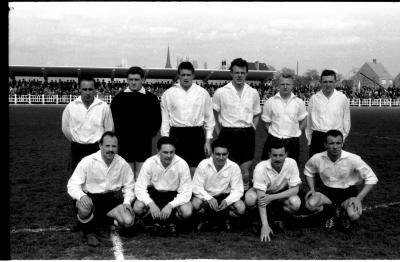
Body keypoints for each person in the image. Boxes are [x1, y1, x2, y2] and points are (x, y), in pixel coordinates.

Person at [67, 131, 135, 247]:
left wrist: (127, 202)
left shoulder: (122, 163)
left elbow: (130, 186)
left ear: (117, 147)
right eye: (107, 146)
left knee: (128, 221)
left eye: (114, 146)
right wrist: (82, 196)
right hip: (89, 197)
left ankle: (101, 219)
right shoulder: (88, 161)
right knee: (84, 208)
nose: (110, 149)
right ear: (100, 145)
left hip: (109, 198)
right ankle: (89, 232)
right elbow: (72, 185)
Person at [304, 129, 378, 232]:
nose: (335, 147)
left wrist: (358, 198)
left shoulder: (353, 158)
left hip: (348, 192)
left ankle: (343, 214)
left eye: (338, 143)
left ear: (342, 143)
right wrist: (312, 189)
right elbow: (308, 171)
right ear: (325, 144)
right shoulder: (317, 158)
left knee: (354, 215)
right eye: (331, 143)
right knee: (310, 204)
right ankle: (331, 212)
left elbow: (372, 178)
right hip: (327, 191)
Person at [212, 58, 262, 190]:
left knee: (245, 171)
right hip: (227, 133)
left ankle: (244, 197)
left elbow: (257, 113)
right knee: (228, 168)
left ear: (246, 74)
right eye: (236, 72)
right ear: (231, 73)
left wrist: (253, 128)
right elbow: (214, 114)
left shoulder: (253, 93)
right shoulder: (221, 92)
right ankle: (229, 197)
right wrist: (219, 132)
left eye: (242, 72)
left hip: (247, 133)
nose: (239, 75)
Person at [160, 61, 215, 177]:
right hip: (176, 134)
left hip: (196, 134)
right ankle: (179, 194)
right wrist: (165, 141)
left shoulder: (202, 93)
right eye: (183, 75)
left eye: (188, 75)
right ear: (178, 75)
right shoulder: (169, 94)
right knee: (176, 170)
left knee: (195, 170)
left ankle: (194, 194)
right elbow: (165, 121)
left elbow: (209, 119)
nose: (185, 77)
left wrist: (208, 141)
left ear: (193, 76)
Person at [133, 136, 192, 236]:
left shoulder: (182, 164)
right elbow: (139, 188)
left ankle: (172, 222)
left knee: (187, 211)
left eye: (171, 152)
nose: (169, 156)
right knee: (137, 207)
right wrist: (151, 204)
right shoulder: (149, 162)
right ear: (158, 151)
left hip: (173, 194)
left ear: (175, 151)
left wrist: (170, 205)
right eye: (165, 152)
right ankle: (151, 222)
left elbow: (186, 192)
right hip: (154, 194)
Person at [245, 139, 302, 242]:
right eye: (274, 155)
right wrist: (265, 226)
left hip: (278, 195)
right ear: (269, 154)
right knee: (250, 199)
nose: (278, 158)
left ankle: (279, 217)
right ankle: (255, 218)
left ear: (286, 154)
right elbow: (262, 198)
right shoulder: (260, 168)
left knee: (295, 203)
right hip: (262, 193)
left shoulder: (292, 163)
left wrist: (272, 197)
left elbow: (295, 190)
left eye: (281, 155)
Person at [110, 66, 161, 179]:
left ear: (143, 80)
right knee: (127, 176)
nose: (133, 82)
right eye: (131, 79)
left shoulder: (151, 99)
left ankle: (140, 197)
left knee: (141, 175)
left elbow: (157, 121)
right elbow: (115, 122)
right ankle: (128, 197)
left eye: (136, 79)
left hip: (144, 143)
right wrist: (122, 136)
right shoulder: (118, 99)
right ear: (127, 80)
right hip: (125, 143)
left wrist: (146, 135)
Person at [62, 75, 114, 171]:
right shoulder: (70, 107)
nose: (87, 92)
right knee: (78, 180)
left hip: (97, 149)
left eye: (90, 89)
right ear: (79, 89)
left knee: (97, 179)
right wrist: (76, 140)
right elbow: (65, 128)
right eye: (84, 89)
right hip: (77, 149)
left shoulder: (103, 107)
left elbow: (109, 129)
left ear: (95, 90)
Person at [192, 139, 245, 231]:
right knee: (195, 204)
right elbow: (196, 187)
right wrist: (209, 198)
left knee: (241, 208)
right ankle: (205, 219)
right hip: (207, 196)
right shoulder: (203, 164)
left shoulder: (234, 167)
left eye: (224, 154)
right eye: (217, 154)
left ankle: (226, 220)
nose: (221, 157)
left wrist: (227, 201)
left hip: (225, 196)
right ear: (212, 153)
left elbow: (238, 190)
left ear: (228, 154)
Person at [261, 72, 308, 164]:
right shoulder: (270, 102)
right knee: (270, 169)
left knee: (291, 170)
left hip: (292, 140)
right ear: (278, 85)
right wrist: (272, 132)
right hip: (274, 139)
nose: (285, 87)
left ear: (292, 85)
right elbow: (265, 121)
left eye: (288, 84)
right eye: (282, 84)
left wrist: (297, 131)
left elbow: (304, 119)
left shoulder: (299, 102)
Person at [305, 69, 351, 158]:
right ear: (321, 83)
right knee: (317, 170)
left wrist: (342, 139)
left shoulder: (342, 98)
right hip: (318, 139)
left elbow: (346, 120)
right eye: (325, 82)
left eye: (330, 81)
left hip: (336, 138)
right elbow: (308, 121)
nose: (328, 84)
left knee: (337, 169)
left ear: (335, 82)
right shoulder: (314, 99)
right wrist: (310, 140)